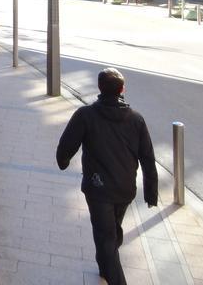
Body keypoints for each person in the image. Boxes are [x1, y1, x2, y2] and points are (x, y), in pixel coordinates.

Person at [56, 68, 158, 285]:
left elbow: (66, 146)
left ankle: (113, 275)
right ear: (122, 90)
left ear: (100, 88)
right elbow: (148, 158)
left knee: (106, 236)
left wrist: (63, 161)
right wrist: (151, 192)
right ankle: (105, 265)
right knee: (111, 231)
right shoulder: (136, 120)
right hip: (125, 189)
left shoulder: (85, 115)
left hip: (98, 188)